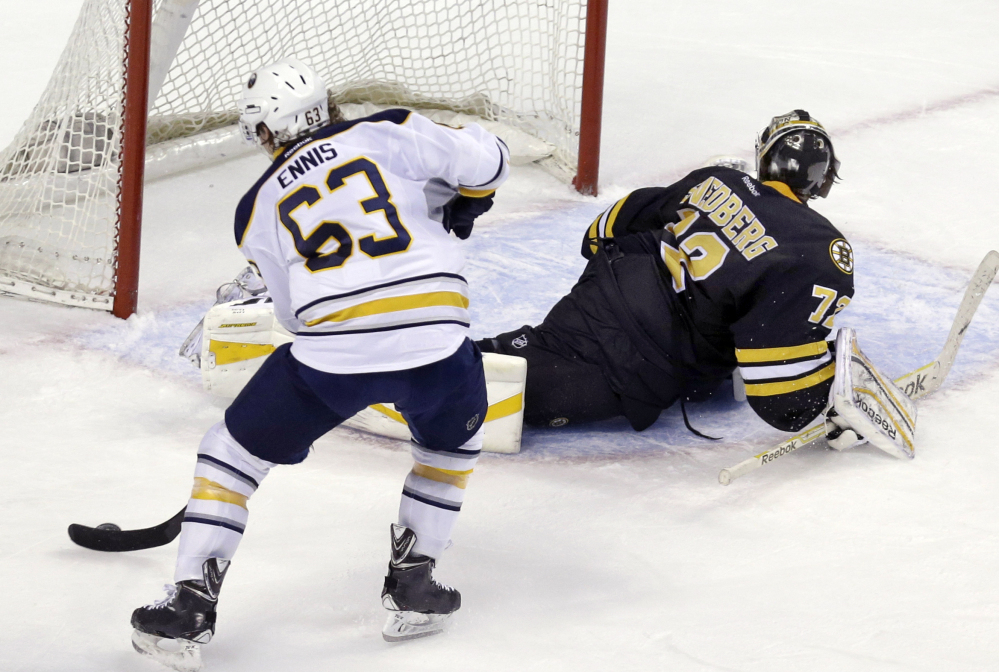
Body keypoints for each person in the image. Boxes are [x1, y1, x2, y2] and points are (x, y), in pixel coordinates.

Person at [130, 56, 509, 666]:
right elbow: (489, 158)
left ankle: (189, 608)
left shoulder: (255, 206)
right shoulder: (389, 130)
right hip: (438, 342)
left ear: (265, 131)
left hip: (334, 356)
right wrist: (472, 198)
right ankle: (414, 586)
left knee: (229, 456)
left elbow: (293, 314)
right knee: (450, 448)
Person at [478, 110, 854, 437]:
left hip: (600, 293)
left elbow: (601, 231)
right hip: (638, 359)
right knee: (496, 391)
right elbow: (781, 397)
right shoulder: (817, 247)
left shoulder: (718, 179)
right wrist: (831, 399)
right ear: (823, 178)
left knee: (501, 359)